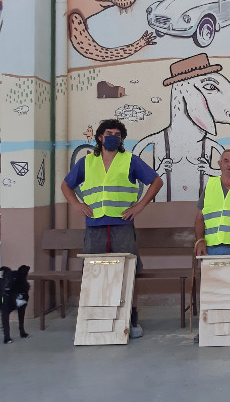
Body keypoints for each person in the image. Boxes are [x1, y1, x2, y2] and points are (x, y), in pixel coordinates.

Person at [61, 119, 163, 339]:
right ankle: (94, 318)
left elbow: (156, 182)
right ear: (99, 137)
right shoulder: (87, 162)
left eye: (117, 134)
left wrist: (140, 205)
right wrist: (77, 204)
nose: (113, 137)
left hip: (122, 226)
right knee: (93, 273)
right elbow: (66, 185)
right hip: (95, 226)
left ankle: (132, 319)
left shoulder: (130, 161)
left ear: (122, 139)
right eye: (109, 133)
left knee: (128, 272)